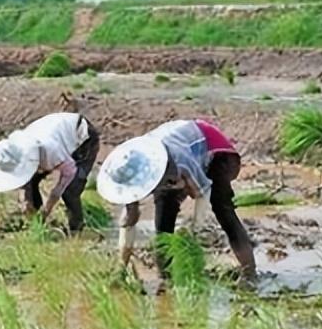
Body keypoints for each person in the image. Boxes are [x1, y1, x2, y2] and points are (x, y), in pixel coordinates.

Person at [97, 119, 256, 281]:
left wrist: (194, 233)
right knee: (164, 223)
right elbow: (129, 221)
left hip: (212, 147)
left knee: (222, 207)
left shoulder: (178, 160)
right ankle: (165, 278)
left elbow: (201, 192)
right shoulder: (133, 172)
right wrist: (120, 268)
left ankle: (250, 274)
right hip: (171, 160)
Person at [0, 112, 100, 233]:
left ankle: (76, 230)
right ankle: (36, 221)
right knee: (31, 182)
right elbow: (23, 178)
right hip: (53, 130)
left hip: (83, 136)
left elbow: (69, 172)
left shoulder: (50, 150)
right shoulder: (18, 151)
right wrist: (25, 200)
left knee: (70, 190)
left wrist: (48, 207)